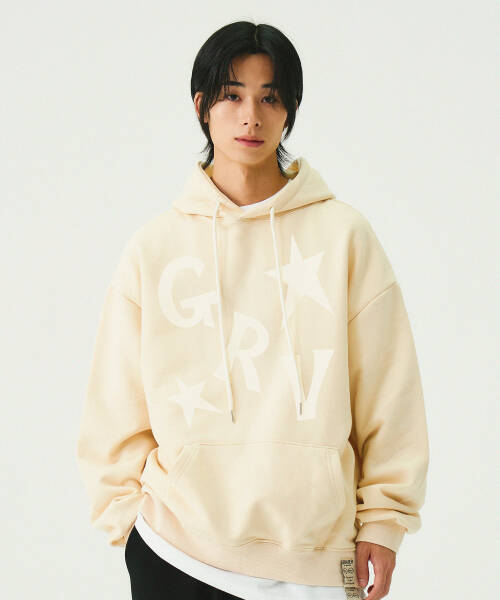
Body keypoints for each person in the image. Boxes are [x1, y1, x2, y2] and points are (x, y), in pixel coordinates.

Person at [76, 20, 429, 600]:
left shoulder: (343, 235)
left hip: (315, 557)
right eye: (232, 95)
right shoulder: (155, 247)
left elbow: (390, 391)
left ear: (290, 111)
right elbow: (114, 405)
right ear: (201, 106)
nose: (251, 117)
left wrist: (384, 521)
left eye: (270, 98)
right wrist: (130, 526)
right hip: (178, 552)